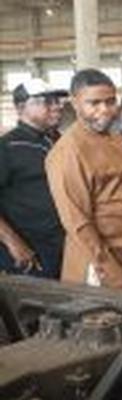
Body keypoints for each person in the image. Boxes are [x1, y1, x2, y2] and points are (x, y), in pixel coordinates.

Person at [45, 69, 122, 289]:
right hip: (103, 268)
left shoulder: (118, 139)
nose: (105, 110)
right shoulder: (69, 151)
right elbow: (76, 221)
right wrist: (107, 268)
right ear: (75, 102)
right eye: (94, 103)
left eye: (110, 101)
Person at [0, 78, 68, 278]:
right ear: (21, 107)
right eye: (46, 101)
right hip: (30, 253)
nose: (56, 107)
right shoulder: (7, 147)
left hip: (64, 247)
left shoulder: (58, 142)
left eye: (57, 101)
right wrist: (13, 242)